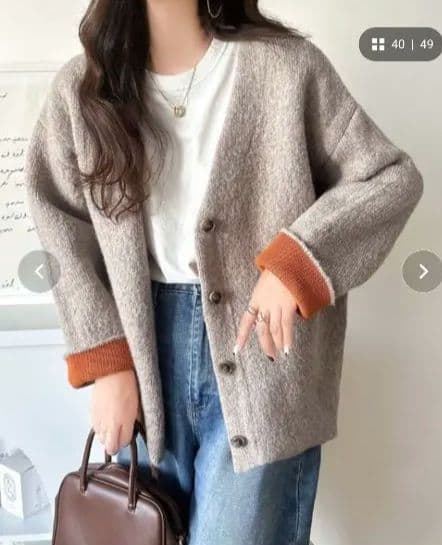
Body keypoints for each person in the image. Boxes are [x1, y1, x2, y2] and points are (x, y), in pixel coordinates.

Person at [24, 1, 423, 544]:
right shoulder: (83, 89)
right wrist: (106, 361)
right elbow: (60, 222)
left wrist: (295, 263)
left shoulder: (286, 68)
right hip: (142, 357)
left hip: (264, 358)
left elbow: (388, 178)